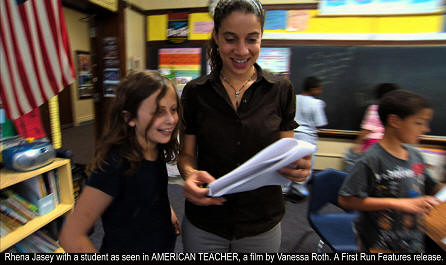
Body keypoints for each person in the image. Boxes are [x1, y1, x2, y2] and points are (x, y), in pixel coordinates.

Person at [178, 0, 312, 253]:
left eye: (252, 39)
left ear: (262, 36)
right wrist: (188, 173)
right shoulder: (196, 92)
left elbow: (287, 152)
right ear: (216, 37)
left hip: (261, 221)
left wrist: (298, 168)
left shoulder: (281, 90)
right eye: (230, 39)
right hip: (206, 220)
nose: (241, 50)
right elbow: (186, 155)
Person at [59, 71, 181, 253]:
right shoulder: (114, 165)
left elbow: (149, 191)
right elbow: (70, 236)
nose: (171, 119)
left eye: (173, 110)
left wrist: (167, 210)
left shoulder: (154, 146)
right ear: (129, 118)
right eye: (158, 111)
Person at [338, 90, 444, 253]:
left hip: (413, 240)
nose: (426, 129)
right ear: (394, 121)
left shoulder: (415, 155)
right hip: (379, 245)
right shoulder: (371, 159)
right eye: (419, 122)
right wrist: (399, 203)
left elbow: (431, 186)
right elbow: (346, 200)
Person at [282, 76, 327, 201]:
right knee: (305, 166)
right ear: (313, 89)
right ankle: (298, 190)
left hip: (290, 134)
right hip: (307, 138)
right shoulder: (316, 103)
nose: (320, 92)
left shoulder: (293, 98)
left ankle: (283, 190)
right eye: (319, 89)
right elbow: (320, 123)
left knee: (288, 163)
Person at [344, 83, 399, 172]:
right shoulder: (398, 112)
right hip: (389, 146)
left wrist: (357, 145)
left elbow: (367, 129)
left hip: (372, 145)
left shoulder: (375, 108)